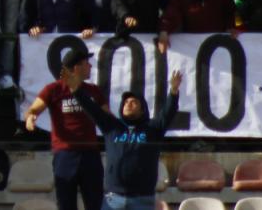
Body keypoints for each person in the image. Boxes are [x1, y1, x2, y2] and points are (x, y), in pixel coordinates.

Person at [68, 70, 184, 210]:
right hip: (113, 200)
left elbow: (168, 112)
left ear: (142, 110)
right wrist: (76, 90)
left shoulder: (153, 129)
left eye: (134, 102)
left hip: (143, 199)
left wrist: (173, 91)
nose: (128, 104)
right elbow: (92, 109)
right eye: (126, 102)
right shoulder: (111, 126)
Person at [22, 49, 107, 210]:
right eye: (86, 63)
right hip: (65, 154)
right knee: (66, 204)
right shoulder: (53, 89)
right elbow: (33, 110)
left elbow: (108, 118)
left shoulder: (94, 91)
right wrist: (30, 118)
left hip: (90, 154)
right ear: (76, 68)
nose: (90, 66)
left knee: (95, 203)